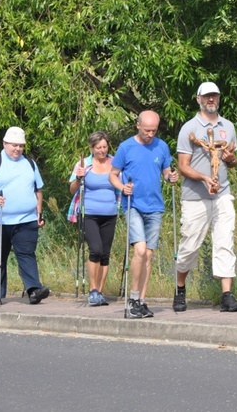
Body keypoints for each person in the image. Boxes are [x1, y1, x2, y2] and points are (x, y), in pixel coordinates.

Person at [173, 82, 237, 312]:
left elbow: (232, 162)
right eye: (207, 96)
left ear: (219, 98)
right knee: (190, 246)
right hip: (195, 197)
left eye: (214, 96)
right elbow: (183, 166)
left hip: (222, 193)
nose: (211, 100)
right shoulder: (189, 129)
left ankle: (226, 295)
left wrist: (230, 158)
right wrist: (204, 178)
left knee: (225, 242)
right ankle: (180, 288)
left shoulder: (228, 127)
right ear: (198, 99)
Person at [109, 111, 178, 319]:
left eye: (154, 130)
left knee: (148, 255)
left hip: (155, 206)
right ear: (138, 126)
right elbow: (112, 175)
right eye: (147, 130)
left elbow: (166, 171)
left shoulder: (162, 146)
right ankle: (132, 298)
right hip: (133, 205)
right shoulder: (126, 147)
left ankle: (141, 301)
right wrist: (122, 187)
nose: (150, 134)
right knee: (139, 250)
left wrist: (171, 176)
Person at [0, 127, 49, 306]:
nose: (17, 149)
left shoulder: (30, 164)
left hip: (26, 219)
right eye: (14, 145)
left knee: (26, 254)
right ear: (5, 144)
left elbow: (38, 190)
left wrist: (39, 212)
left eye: (21, 146)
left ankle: (33, 290)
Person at [68, 131, 119, 307]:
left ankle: (100, 292)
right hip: (88, 213)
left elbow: (122, 184)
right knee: (95, 250)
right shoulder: (84, 164)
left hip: (110, 213)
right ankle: (93, 290)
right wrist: (78, 176)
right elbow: (72, 189)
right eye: (98, 148)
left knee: (105, 254)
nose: (102, 150)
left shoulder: (115, 163)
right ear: (91, 148)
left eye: (105, 147)